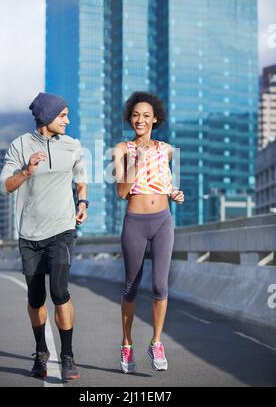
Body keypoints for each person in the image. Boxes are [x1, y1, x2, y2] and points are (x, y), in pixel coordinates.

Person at [0, 92, 88, 382]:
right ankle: (40, 351)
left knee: (60, 292)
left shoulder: (72, 145)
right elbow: (6, 186)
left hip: (62, 229)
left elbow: (80, 176)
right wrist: (26, 171)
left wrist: (83, 202)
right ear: (47, 117)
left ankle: (67, 355)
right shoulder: (19, 145)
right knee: (36, 298)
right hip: (30, 234)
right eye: (62, 115)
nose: (68, 120)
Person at [114, 91, 184, 374]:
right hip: (135, 222)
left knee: (160, 285)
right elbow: (121, 192)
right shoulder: (122, 149)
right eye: (135, 115)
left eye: (146, 115)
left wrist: (176, 193)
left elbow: (167, 184)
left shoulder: (167, 150)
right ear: (130, 118)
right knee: (131, 285)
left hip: (163, 220)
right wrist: (136, 160)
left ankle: (156, 341)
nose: (140, 120)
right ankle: (127, 342)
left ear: (155, 119)